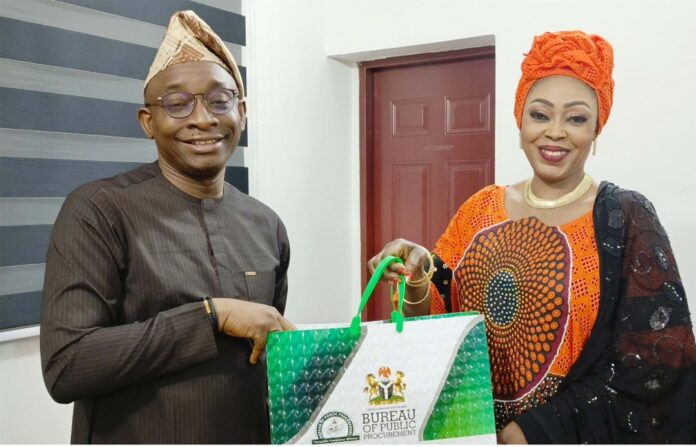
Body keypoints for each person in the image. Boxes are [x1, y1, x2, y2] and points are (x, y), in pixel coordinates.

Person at [368, 31, 696, 444]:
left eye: (576, 118)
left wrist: (540, 427)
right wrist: (417, 279)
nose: (554, 132)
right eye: (540, 114)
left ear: (597, 129)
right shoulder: (480, 210)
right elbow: (433, 332)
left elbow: (659, 361)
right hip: (471, 435)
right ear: (520, 120)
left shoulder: (625, 217)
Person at [40, 11, 294, 443]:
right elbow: (68, 365)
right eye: (177, 104)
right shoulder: (99, 210)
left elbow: (265, 353)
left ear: (243, 112)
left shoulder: (266, 224)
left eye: (220, 101)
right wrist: (212, 316)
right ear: (148, 122)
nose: (203, 119)